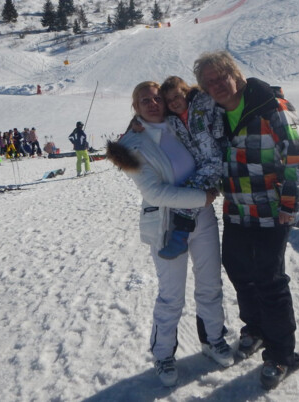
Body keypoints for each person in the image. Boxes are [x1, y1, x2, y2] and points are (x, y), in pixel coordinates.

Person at [193, 50, 299, 389]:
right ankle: (255, 328)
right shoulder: (215, 114)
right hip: (236, 210)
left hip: (272, 211)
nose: (217, 86)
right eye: (209, 82)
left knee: (269, 280)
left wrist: (289, 203)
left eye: (221, 77)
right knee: (239, 271)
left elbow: (297, 157)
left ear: (236, 74)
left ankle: (282, 354)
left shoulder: (272, 107)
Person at [106, 81, 233, 387]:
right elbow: (154, 191)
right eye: (144, 101)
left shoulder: (179, 124)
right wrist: (200, 198)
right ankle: (163, 354)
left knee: (210, 283)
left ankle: (213, 338)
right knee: (171, 295)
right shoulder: (132, 144)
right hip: (167, 224)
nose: (152, 104)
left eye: (156, 98)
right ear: (135, 108)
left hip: (202, 218)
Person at [156, 76, 224, 260]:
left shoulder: (203, 102)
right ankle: (180, 235)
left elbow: (222, 102)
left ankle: (180, 237)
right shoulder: (172, 120)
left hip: (217, 160)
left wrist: (220, 127)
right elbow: (148, 118)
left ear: (186, 92)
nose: (174, 103)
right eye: (169, 100)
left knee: (190, 190)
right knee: (190, 189)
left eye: (176, 96)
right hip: (201, 165)